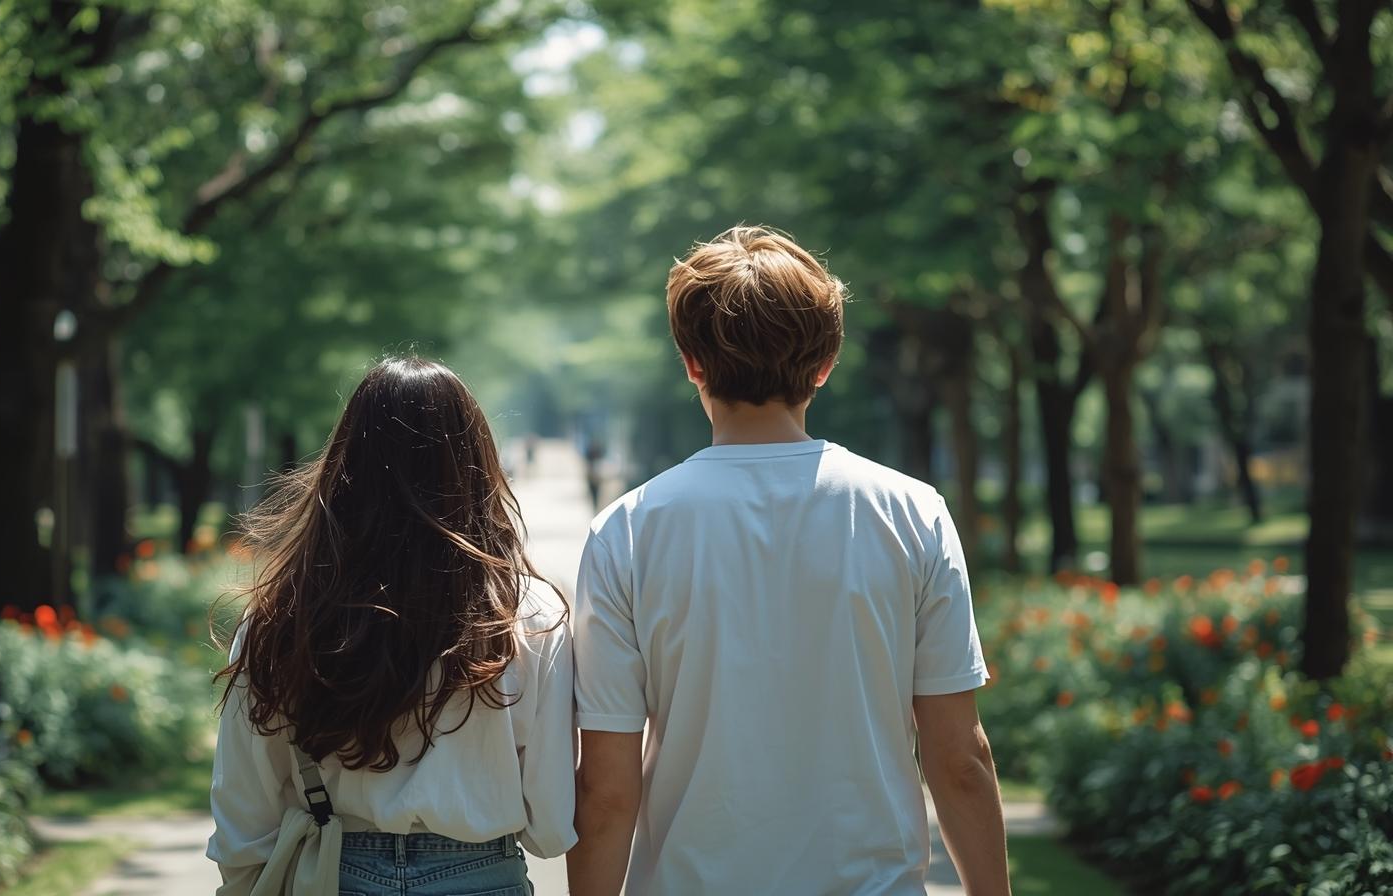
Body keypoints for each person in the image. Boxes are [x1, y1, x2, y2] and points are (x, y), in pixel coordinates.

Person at [567, 227, 1008, 895]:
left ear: (692, 363)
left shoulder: (626, 532)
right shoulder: (912, 513)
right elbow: (960, 760)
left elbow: (605, 789)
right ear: (826, 363)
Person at [207, 357, 576, 895]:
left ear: (344, 464)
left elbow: (244, 812)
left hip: (335, 874)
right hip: (482, 877)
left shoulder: (284, 615)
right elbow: (550, 825)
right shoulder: (528, 615)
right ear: (475, 465)